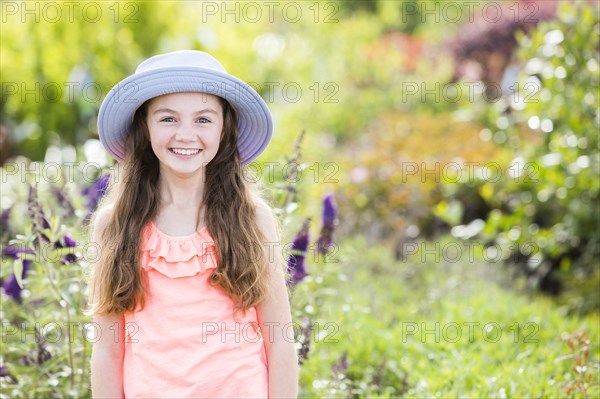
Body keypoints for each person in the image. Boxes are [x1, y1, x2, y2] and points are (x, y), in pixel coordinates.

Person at [88, 50, 298, 398]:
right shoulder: (114, 225)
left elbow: (280, 341)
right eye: (168, 119)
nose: (186, 134)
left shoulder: (252, 219)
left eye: (203, 119)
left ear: (224, 129)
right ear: (145, 127)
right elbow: (108, 350)